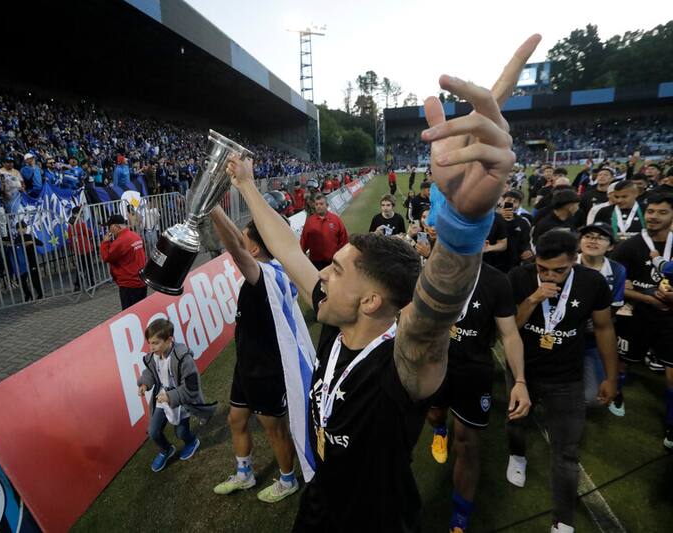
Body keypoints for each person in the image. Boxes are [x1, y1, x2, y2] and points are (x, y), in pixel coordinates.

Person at [224, 34, 539, 531]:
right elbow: (287, 249)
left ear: (372, 300)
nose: (323, 273)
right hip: (319, 507)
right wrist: (244, 184)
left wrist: (461, 227)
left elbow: (434, 314)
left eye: (337, 270)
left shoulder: (404, 363)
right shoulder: (338, 314)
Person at [506, 230, 617, 533]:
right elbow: (508, 329)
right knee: (516, 422)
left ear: (574, 261)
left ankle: (562, 522)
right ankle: (517, 455)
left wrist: (610, 376)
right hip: (523, 371)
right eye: (542, 268)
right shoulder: (518, 277)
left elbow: (604, 328)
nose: (549, 276)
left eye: (559, 270)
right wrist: (533, 299)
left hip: (567, 376)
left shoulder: (592, 282)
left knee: (566, 451)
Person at [209, 207, 305, 503]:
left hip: (266, 369)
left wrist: (210, 206)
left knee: (275, 430)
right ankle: (244, 474)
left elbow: (236, 248)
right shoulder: (272, 268)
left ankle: (288, 480)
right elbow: (240, 243)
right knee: (236, 419)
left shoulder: (264, 275)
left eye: (245, 237)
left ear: (253, 248)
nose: (240, 239)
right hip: (246, 364)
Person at [426, 262, 530, 533]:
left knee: (468, 444)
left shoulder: (497, 281)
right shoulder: (434, 269)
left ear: (484, 243)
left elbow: (510, 334)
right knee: (434, 413)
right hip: (435, 361)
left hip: (473, 369)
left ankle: (460, 515)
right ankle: (439, 429)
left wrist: (520, 380)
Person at [610, 194, 673, 448]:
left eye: (662, 212)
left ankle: (671, 423)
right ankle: (616, 393)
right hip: (635, 316)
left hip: (670, 320)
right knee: (623, 362)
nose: (654, 217)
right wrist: (647, 298)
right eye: (650, 211)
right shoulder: (629, 246)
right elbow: (615, 286)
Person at [137, 318, 217, 472]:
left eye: (155, 343)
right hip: (162, 398)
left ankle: (191, 441)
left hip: (181, 401)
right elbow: (151, 372)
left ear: (169, 340)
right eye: (149, 343)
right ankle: (166, 449)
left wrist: (170, 396)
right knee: (153, 432)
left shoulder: (183, 358)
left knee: (181, 432)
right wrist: (144, 384)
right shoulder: (154, 356)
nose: (151, 348)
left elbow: (191, 388)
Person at [576, 223, 626, 410]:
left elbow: (612, 310)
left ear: (611, 246)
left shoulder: (617, 270)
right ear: (580, 242)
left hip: (593, 340)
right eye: (588, 236)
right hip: (563, 336)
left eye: (600, 238)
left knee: (593, 398)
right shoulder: (567, 263)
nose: (593, 241)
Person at [99, 214, 147, 310]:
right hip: (141, 281)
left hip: (129, 284)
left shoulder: (120, 241)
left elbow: (106, 257)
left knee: (130, 313)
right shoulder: (135, 236)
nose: (109, 231)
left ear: (115, 227)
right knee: (141, 311)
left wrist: (105, 242)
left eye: (109, 227)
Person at [299, 193, 348, 271]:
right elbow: (304, 241)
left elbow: (344, 240)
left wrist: (342, 256)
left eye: (321, 204)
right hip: (316, 263)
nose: (318, 206)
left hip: (333, 261)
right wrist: (301, 257)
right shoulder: (310, 222)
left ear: (327, 205)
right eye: (316, 204)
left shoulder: (336, 219)